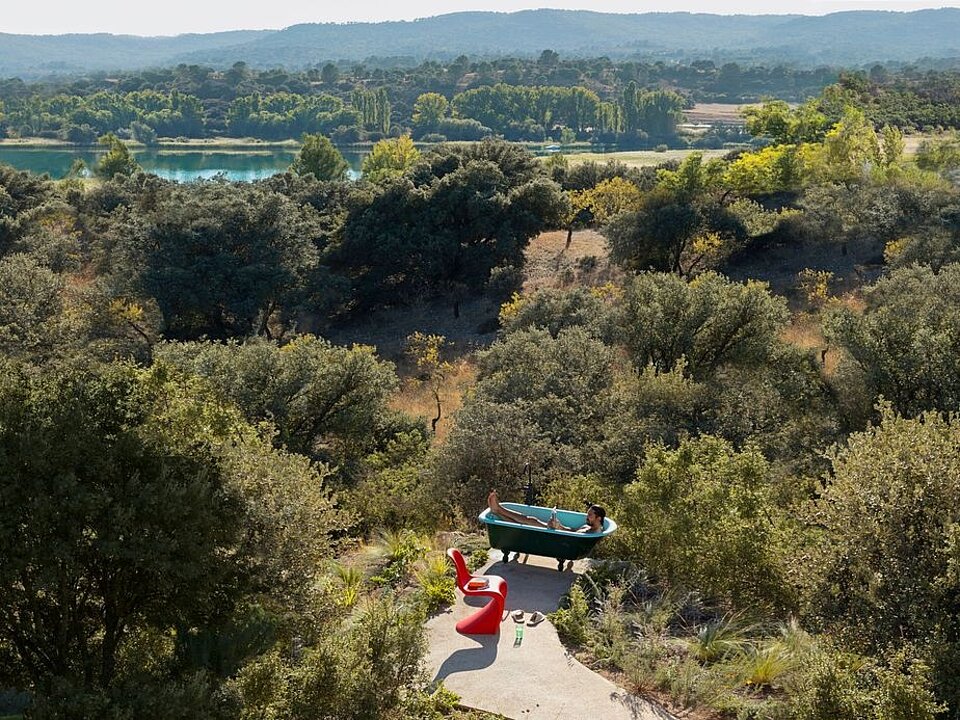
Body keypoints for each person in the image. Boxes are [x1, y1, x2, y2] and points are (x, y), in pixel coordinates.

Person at [486, 490, 605, 533]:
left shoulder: (594, 532)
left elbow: (573, 536)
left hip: (556, 537)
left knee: (528, 520)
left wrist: (558, 528)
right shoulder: (589, 527)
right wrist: (559, 525)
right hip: (557, 532)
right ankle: (497, 511)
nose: (586, 516)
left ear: (598, 518)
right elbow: (572, 531)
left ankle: (499, 510)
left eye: (590, 515)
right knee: (524, 523)